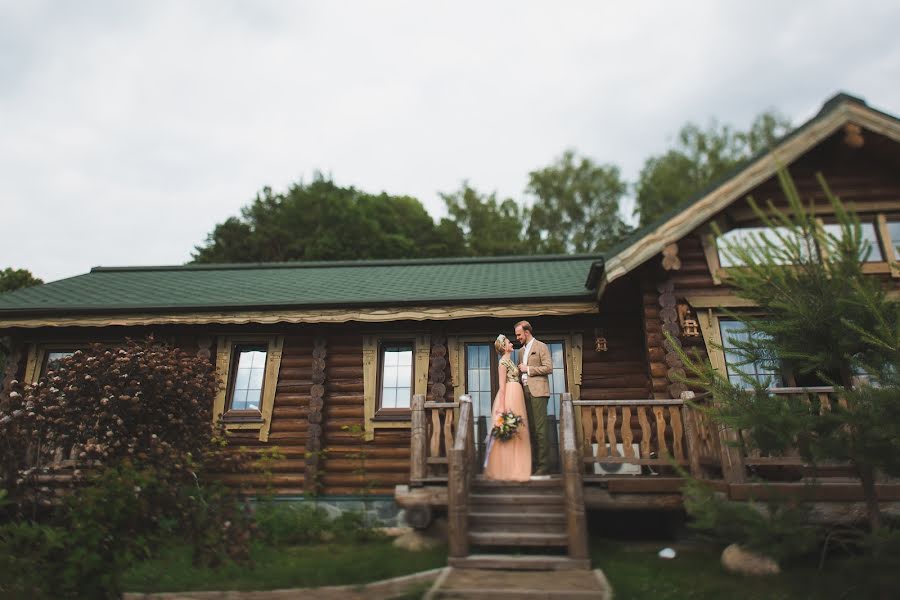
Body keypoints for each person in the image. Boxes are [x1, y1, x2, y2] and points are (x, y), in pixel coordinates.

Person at [483, 334, 532, 481]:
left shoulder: (510, 361)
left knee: (519, 430)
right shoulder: (502, 363)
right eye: (509, 342)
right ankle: (505, 468)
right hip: (509, 395)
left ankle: (517, 466)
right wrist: (503, 406)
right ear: (504, 347)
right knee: (511, 429)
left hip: (517, 394)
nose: (512, 343)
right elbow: (502, 387)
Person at [515, 320, 553, 476]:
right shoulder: (520, 352)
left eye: (519, 334)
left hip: (539, 392)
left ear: (527, 332)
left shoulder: (541, 346)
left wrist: (528, 369)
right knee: (530, 429)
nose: (517, 338)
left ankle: (544, 466)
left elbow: (549, 367)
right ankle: (535, 464)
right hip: (525, 393)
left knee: (540, 430)